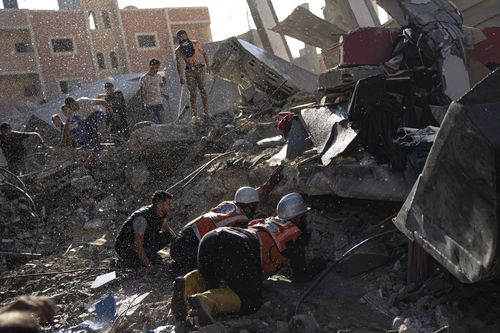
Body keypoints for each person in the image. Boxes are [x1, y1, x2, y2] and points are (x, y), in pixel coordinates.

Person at [171, 193, 324, 323]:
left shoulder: (267, 222)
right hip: (237, 247)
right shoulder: (294, 234)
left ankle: (185, 285)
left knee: (209, 277)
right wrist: (318, 266)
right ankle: (206, 301)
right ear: (298, 218)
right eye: (305, 217)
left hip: (211, 238)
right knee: (250, 302)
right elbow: (301, 276)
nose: (306, 221)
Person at [169, 166, 283, 272]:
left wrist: (267, 186)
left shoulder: (228, 205)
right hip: (186, 250)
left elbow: (248, 196)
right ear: (249, 208)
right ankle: (180, 269)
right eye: (254, 206)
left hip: (178, 241)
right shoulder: (240, 220)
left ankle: (180, 265)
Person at [115, 191, 176, 270]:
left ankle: (150, 255)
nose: (171, 207)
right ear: (159, 204)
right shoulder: (142, 219)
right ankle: (131, 261)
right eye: (168, 204)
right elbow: (138, 246)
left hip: (145, 241)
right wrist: (149, 266)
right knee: (154, 263)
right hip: (126, 247)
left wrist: (177, 243)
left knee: (167, 235)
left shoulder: (159, 213)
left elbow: (168, 229)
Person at [175, 30, 210, 122]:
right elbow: (178, 64)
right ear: (178, 38)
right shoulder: (179, 50)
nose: (182, 38)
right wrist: (181, 76)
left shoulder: (195, 44)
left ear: (186, 35)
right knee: (192, 93)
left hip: (200, 69)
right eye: (180, 37)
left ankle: (206, 112)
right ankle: (194, 115)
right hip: (189, 71)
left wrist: (208, 66)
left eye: (183, 35)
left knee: (203, 90)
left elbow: (204, 54)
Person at [140, 59, 168, 124]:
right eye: (156, 67)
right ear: (151, 67)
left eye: (158, 67)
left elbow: (160, 89)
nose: (157, 69)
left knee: (161, 121)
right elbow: (142, 92)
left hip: (159, 102)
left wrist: (164, 95)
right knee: (153, 122)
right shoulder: (144, 78)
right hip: (150, 104)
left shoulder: (159, 77)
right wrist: (142, 104)